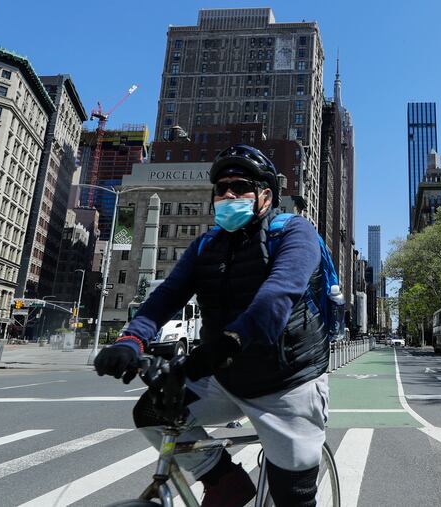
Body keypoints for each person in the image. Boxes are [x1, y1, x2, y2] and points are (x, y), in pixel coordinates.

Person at [94, 145, 330, 507]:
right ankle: (223, 480)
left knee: (293, 498)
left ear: (266, 195)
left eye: (240, 186)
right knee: (153, 410)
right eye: (221, 189)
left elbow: (277, 296)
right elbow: (165, 297)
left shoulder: (295, 233)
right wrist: (130, 342)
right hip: (227, 378)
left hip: (288, 382)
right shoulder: (206, 246)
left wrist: (225, 344)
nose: (228, 195)